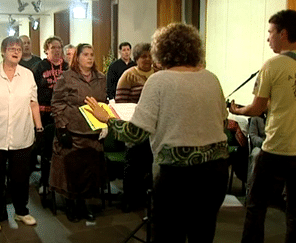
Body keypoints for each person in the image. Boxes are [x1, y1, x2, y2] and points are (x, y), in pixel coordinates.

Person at [86, 23, 229, 242]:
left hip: (177, 176)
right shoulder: (211, 78)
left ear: (161, 51)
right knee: (203, 233)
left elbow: (135, 133)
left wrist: (108, 119)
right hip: (215, 172)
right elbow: (223, 121)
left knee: (169, 235)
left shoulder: (159, 81)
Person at [229, 10, 296, 243]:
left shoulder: (272, 64)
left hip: (278, 147)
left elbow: (256, 109)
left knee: (256, 203)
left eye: (270, 32)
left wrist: (237, 111)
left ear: (283, 33)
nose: (268, 38)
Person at [0, 36, 43, 233]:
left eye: (19, 49)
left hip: (22, 135)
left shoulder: (28, 75)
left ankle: (21, 211)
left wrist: (39, 128)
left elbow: (33, 103)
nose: (15, 52)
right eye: (11, 48)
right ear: (3, 51)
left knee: (21, 177)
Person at [50, 43, 107, 223]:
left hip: (92, 131)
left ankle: (83, 204)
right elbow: (57, 103)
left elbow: (103, 102)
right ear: (78, 58)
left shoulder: (100, 78)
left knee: (88, 172)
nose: (90, 58)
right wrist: (62, 128)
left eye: (92, 54)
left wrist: (105, 125)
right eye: (85, 55)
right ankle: (71, 204)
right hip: (72, 131)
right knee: (72, 171)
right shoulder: (67, 77)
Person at [115, 43, 154, 212]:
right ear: (136, 58)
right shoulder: (128, 75)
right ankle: (130, 199)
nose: (147, 59)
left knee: (150, 164)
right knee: (133, 166)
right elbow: (121, 103)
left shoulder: (158, 74)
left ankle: (146, 198)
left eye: (150, 56)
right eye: (143, 56)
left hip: (153, 128)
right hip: (134, 127)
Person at [32, 36, 69, 127]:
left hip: (64, 112)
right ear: (46, 50)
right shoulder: (39, 67)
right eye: (53, 47)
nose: (57, 50)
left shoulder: (68, 67)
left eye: (59, 47)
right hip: (44, 113)